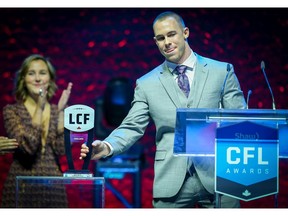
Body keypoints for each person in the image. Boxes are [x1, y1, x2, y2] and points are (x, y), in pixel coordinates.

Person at [80, 11, 246, 208]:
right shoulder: (147, 83)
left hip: (218, 177)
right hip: (171, 180)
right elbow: (132, 126)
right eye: (160, 38)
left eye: (171, 34)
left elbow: (240, 120)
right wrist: (107, 146)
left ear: (185, 32)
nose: (167, 42)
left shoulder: (222, 71)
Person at [1, 54, 73, 207]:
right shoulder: (12, 111)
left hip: (53, 187)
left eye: (42, 73)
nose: (37, 79)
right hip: (21, 185)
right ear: (23, 79)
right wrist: (39, 109)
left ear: (50, 79)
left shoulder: (56, 110)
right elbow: (28, 147)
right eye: (31, 73)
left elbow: (61, 150)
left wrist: (61, 114)